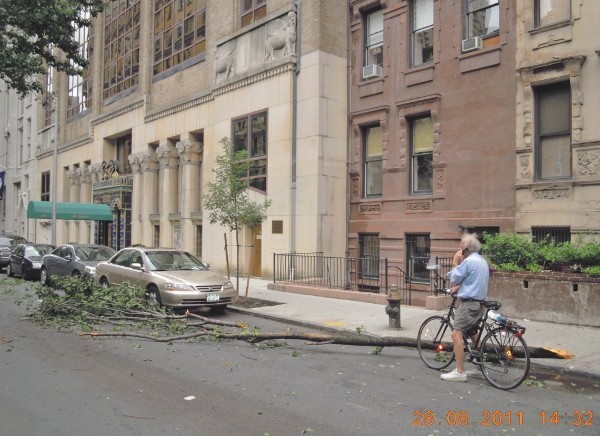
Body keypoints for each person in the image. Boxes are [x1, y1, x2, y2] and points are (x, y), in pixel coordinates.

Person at [441, 233, 489, 382]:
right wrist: (460, 288)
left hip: (468, 304)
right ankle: (479, 368)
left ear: (467, 249)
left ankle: (459, 372)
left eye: (461, 248)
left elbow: (454, 277)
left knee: (456, 335)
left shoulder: (468, 262)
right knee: (473, 334)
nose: (459, 250)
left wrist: (456, 262)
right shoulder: (482, 261)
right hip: (480, 304)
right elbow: (474, 280)